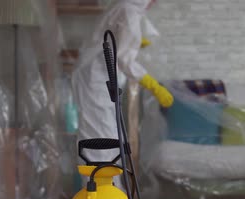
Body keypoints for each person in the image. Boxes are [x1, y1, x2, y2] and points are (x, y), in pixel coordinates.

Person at [73, 0, 172, 168]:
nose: (155, 3)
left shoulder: (126, 6)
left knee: (110, 135)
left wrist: (133, 41)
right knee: (100, 137)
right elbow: (124, 59)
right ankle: (99, 188)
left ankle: (111, 188)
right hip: (97, 80)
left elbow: (113, 35)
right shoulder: (129, 11)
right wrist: (152, 85)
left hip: (100, 77)